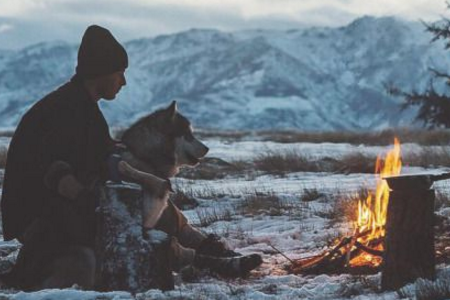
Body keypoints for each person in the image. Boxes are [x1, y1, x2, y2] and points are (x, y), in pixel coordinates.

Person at [1, 24, 128, 290]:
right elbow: (60, 176)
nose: (123, 82)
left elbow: (96, 155)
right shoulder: (66, 111)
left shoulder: (81, 108)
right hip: (40, 218)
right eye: (120, 73)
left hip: (54, 213)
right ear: (102, 72)